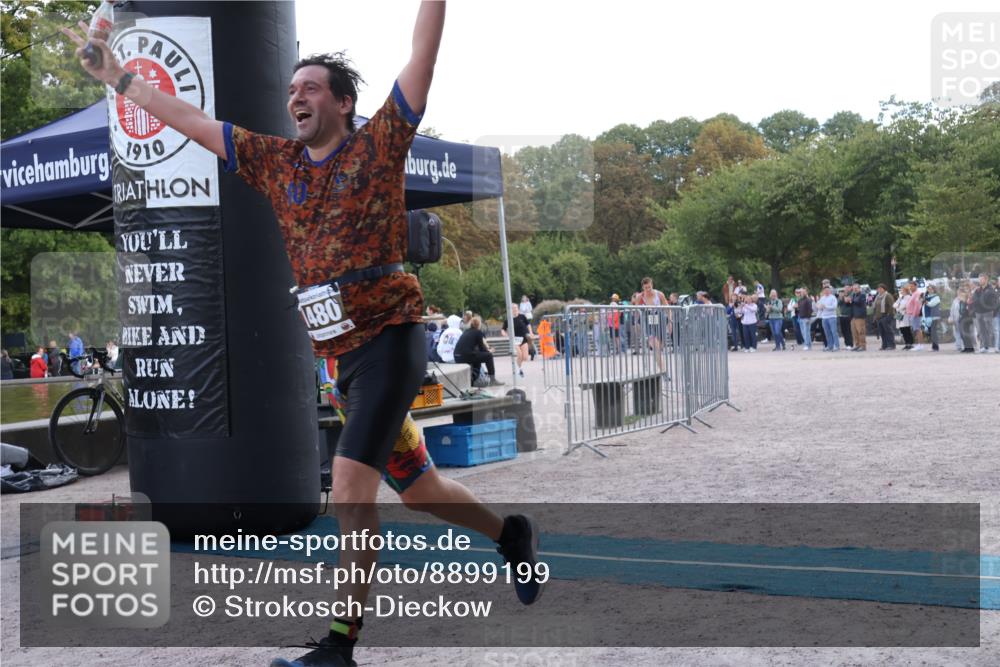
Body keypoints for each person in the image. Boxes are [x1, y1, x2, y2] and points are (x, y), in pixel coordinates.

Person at [64, 7, 544, 667]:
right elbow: (191, 120)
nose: (296, 97)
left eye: (311, 88)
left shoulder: (379, 145)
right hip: (342, 360)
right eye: (292, 90)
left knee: (348, 488)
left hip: (390, 341)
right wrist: (118, 77)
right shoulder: (276, 163)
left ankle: (339, 646)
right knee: (421, 489)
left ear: (344, 103)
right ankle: (509, 533)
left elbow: (422, 59)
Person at [455, 316, 503, 386]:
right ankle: (492, 380)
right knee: (489, 356)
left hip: (457, 356)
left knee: (478, 358)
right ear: (479, 325)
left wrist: (485, 350)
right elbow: (482, 348)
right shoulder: (478, 332)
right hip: (466, 356)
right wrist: (489, 351)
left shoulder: (466, 332)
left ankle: (473, 380)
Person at [502, 303, 533, 377]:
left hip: (523, 339)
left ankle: (518, 368)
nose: (515, 309)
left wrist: (531, 332)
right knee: (519, 355)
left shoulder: (522, 316)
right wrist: (505, 334)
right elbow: (503, 329)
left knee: (525, 357)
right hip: (515, 340)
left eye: (516, 308)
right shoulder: (508, 319)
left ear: (518, 309)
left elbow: (528, 324)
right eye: (513, 308)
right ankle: (518, 370)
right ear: (511, 310)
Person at [972, 273, 999, 353]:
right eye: (979, 279)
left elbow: (990, 301)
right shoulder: (977, 290)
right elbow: (975, 300)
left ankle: (993, 347)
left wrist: (982, 300)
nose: (980, 281)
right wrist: (981, 300)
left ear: (986, 280)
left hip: (988, 312)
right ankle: (984, 346)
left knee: (989, 330)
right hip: (979, 312)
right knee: (981, 330)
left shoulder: (991, 290)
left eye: (981, 279)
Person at [872, 284, 896, 350]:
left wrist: (889, 315)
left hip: (886, 316)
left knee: (888, 331)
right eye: (878, 288)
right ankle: (884, 345)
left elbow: (892, 306)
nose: (879, 290)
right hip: (879, 317)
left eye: (881, 288)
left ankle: (891, 345)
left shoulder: (888, 296)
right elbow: (875, 307)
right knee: (882, 332)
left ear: (884, 289)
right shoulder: (877, 297)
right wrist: (875, 316)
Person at [816, 287, 839, 351]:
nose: (826, 292)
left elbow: (834, 307)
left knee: (834, 332)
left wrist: (826, 306)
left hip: (832, 317)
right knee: (827, 333)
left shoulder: (833, 297)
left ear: (830, 291)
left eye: (827, 290)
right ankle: (830, 346)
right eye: (825, 291)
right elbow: (819, 307)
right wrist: (819, 307)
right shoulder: (822, 298)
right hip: (824, 318)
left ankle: (836, 346)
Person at [847, 284, 868, 352]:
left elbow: (858, 302)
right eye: (854, 288)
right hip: (853, 316)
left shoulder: (862, 295)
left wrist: (851, 300)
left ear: (859, 288)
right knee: (854, 332)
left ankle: (863, 346)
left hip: (860, 316)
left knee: (861, 332)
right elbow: (850, 304)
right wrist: (848, 301)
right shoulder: (853, 295)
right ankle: (857, 345)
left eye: (856, 288)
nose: (855, 290)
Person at [905, 281, 925, 351]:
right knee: (916, 329)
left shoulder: (917, 293)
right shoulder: (913, 294)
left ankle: (920, 345)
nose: (910, 288)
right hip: (912, 314)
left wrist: (914, 314)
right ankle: (919, 344)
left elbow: (917, 305)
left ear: (916, 286)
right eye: (909, 286)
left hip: (915, 314)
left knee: (918, 329)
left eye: (912, 286)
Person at [922, 285, 941, 352]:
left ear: (934, 289)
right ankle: (933, 346)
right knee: (931, 332)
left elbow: (931, 304)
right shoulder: (927, 297)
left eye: (930, 289)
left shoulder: (936, 297)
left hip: (934, 317)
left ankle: (936, 347)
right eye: (928, 289)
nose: (929, 290)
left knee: (934, 332)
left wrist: (925, 301)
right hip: (928, 317)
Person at [894, 285, 913, 350]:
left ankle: (910, 343)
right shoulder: (901, 298)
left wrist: (899, 307)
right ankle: (906, 343)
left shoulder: (908, 297)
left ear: (906, 291)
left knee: (907, 329)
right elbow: (894, 305)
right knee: (902, 330)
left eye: (902, 290)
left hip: (905, 315)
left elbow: (905, 305)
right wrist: (899, 306)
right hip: (899, 315)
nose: (901, 291)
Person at [949, 286, 967, 352]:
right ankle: (958, 346)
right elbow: (952, 309)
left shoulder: (964, 299)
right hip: (955, 319)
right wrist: (951, 317)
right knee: (956, 333)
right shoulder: (955, 300)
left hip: (962, 319)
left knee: (962, 333)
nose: (958, 293)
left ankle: (965, 346)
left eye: (959, 292)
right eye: (958, 292)